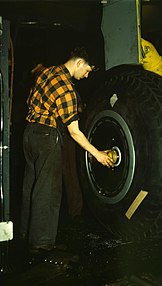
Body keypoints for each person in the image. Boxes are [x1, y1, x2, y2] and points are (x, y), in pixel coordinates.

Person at [19, 47, 114, 256]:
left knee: (31, 186)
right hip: (47, 138)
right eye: (88, 70)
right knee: (48, 191)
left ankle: (25, 235)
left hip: (29, 134)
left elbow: (29, 101)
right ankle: (41, 244)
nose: (86, 75)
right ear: (79, 62)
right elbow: (75, 133)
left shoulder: (46, 73)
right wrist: (97, 154)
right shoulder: (66, 89)